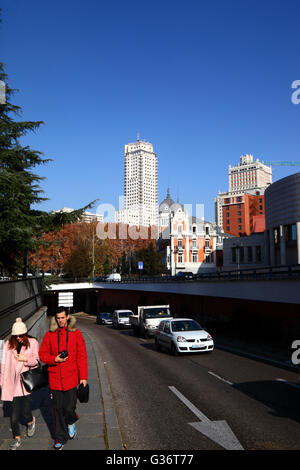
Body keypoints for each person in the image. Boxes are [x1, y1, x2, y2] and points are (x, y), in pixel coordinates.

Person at [39, 308, 88, 450]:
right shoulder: (49, 335)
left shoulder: (76, 334)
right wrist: (54, 359)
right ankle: (59, 438)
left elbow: (82, 356)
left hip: (72, 379)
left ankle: (71, 421)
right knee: (56, 410)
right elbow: (42, 355)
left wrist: (83, 377)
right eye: (58, 318)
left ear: (67, 317)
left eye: (62, 317)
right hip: (55, 380)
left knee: (69, 408)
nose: (60, 320)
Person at [0, 317, 39, 450]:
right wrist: (2, 381)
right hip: (12, 383)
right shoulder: (7, 344)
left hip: (26, 383)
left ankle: (31, 421)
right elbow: (3, 363)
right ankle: (17, 439)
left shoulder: (33, 342)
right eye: (16, 335)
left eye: (20, 335)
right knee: (14, 414)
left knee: (26, 410)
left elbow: (36, 361)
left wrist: (26, 359)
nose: (18, 338)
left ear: (25, 333)